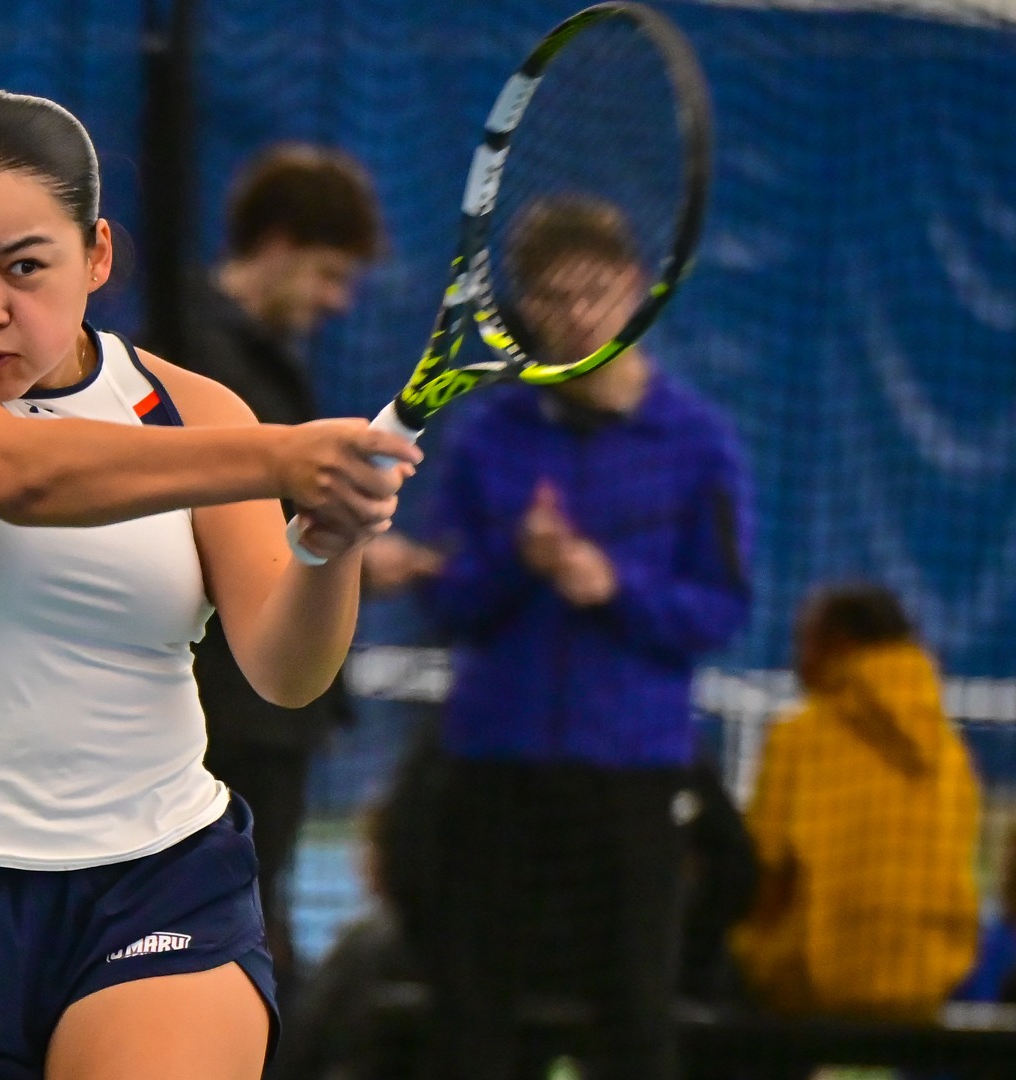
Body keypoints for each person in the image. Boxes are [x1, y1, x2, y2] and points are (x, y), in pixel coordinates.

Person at [0, 91, 418, 1080]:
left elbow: (286, 670)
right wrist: (279, 457)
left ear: (96, 256)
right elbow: (20, 475)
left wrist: (331, 546)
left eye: (26, 267)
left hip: (164, 883)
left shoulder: (197, 410)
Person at [392, 197, 755, 1080]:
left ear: (635, 288)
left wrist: (614, 587)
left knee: (633, 1022)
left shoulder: (701, 444)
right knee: (472, 1024)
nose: (577, 315)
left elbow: (720, 610)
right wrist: (516, 563)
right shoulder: (487, 439)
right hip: (493, 768)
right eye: (553, 298)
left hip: (631, 773)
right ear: (524, 306)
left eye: (594, 292)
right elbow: (447, 599)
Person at [146, 144, 383, 984]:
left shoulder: (263, 361)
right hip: (217, 714)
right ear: (277, 245)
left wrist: (342, 550)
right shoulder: (193, 354)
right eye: (328, 273)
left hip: (263, 710)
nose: (336, 300)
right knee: (206, 944)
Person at [730, 585, 980, 1021]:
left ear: (839, 644)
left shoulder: (799, 737)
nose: (797, 660)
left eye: (804, 642)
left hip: (817, 979)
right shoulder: (950, 750)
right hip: (928, 979)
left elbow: (764, 876)